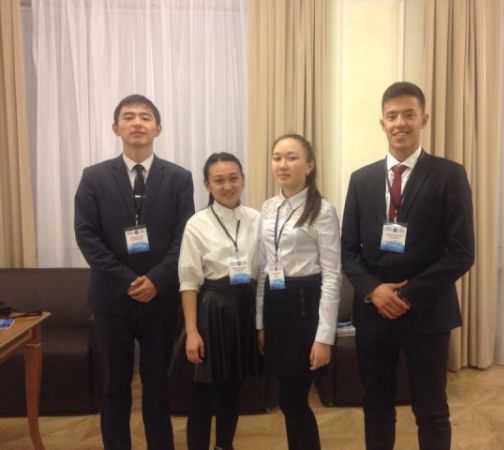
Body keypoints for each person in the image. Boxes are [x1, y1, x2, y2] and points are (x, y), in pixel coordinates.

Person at [341, 81, 475, 450]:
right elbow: (348, 250)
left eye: (408, 114)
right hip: (373, 313)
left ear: (423, 119)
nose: (400, 123)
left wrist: (406, 295)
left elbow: (462, 251)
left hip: (428, 313)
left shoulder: (449, 175)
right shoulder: (361, 179)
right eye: (392, 116)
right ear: (382, 123)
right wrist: (374, 291)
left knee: (431, 409)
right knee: (376, 406)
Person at [74, 94, 195, 450]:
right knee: (114, 385)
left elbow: (185, 236)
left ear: (158, 128)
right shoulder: (94, 177)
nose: (137, 122)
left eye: (145, 117)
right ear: (116, 128)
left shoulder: (179, 178)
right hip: (112, 300)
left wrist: (157, 279)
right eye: (129, 117)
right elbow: (86, 236)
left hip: (161, 299)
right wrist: (127, 280)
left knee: (158, 385)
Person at [256, 134, 341, 450]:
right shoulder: (268, 207)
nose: (282, 164)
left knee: (292, 399)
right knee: (286, 396)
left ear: (309, 165)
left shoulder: (323, 211)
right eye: (277, 157)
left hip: (306, 307)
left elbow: (332, 275)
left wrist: (324, 337)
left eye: (291, 157)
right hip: (276, 306)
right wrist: (260, 322)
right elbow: (264, 267)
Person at [172, 152, 261, 450]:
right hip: (211, 310)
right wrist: (192, 332)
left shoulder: (256, 219)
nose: (227, 186)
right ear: (207, 185)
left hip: (245, 308)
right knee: (202, 392)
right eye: (219, 180)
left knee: (233, 389)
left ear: (243, 180)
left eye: (233, 178)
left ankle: (225, 445)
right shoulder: (197, 224)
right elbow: (188, 282)